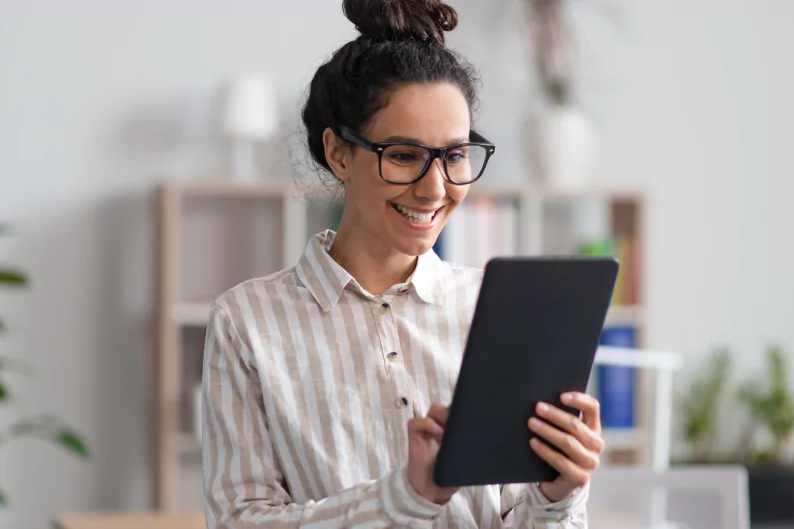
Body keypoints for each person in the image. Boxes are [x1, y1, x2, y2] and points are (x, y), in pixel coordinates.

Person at [201, 0, 604, 526]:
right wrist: (404, 498)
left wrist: (557, 497)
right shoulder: (247, 321)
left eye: (455, 156)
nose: (436, 188)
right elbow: (238, 521)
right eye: (404, 155)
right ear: (339, 153)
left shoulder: (498, 308)